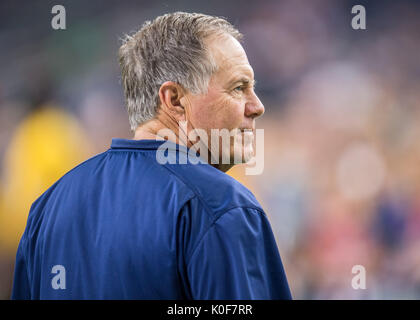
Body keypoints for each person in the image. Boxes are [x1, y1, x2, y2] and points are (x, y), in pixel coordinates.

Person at [12, 12, 292, 299]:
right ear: (174, 100)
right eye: (238, 87)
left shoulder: (47, 209)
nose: (257, 106)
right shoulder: (220, 205)